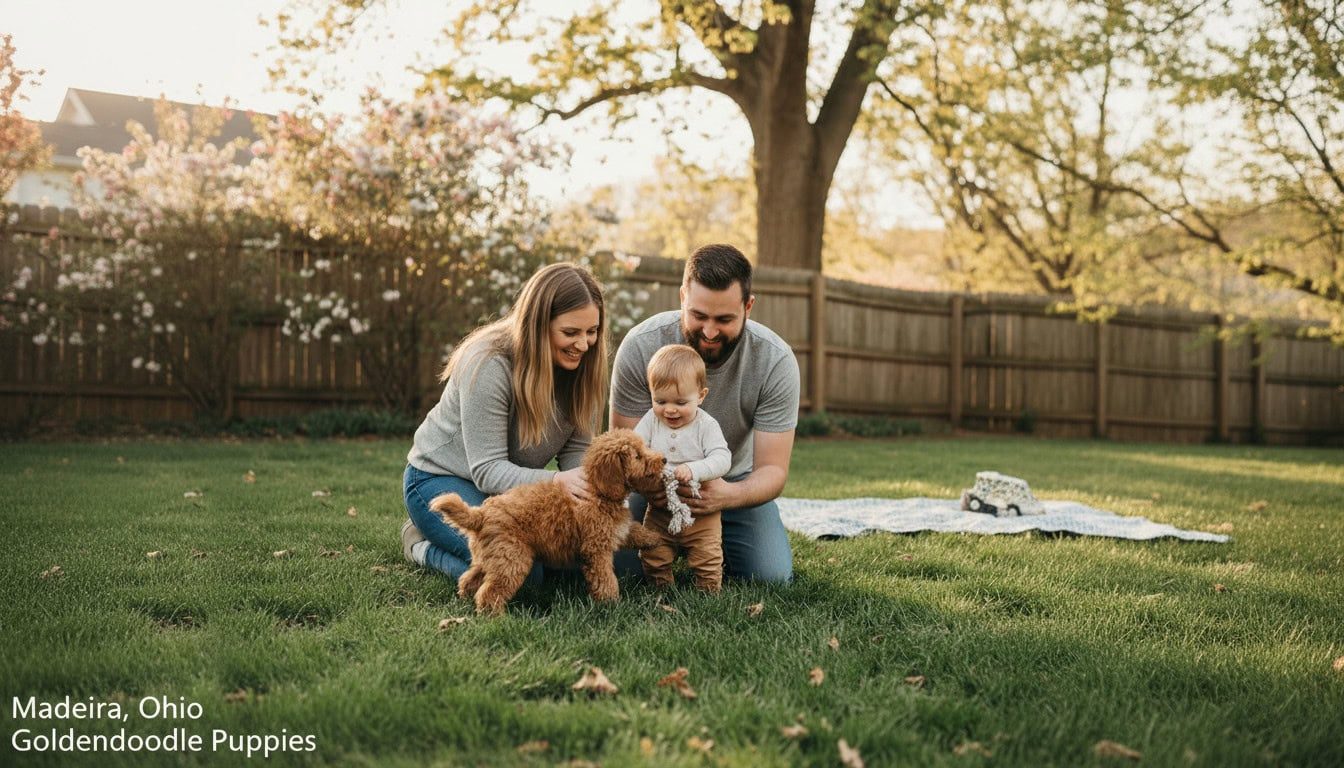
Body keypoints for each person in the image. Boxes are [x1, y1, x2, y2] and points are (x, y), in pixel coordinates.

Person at [400, 262, 608, 583]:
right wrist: (556, 483)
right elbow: (487, 470)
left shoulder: (583, 367)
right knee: (518, 575)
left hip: (513, 494)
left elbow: (577, 458)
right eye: (570, 332)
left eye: (591, 332)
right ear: (539, 325)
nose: (583, 344)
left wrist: (591, 500)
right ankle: (421, 545)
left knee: (584, 562)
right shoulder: (489, 362)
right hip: (442, 480)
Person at [610, 243, 800, 584]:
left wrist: (730, 495)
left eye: (724, 319)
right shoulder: (640, 346)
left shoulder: (775, 361)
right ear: (683, 296)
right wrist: (654, 486)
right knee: (619, 569)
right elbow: (625, 449)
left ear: (748, 306)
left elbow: (773, 469)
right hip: (653, 487)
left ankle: (706, 545)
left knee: (769, 577)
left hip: (731, 485)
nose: (710, 332)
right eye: (699, 316)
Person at [633, 344, 732, 592]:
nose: (669, 409)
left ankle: (708, 592)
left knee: (706, 556)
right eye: (660, 400)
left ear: (701, 395)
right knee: (653, 553)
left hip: (700, 513)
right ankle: (660, 588)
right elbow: (635, 447)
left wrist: (695, 469)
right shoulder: (651, 420)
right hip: (659, 510)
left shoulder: (705, 425)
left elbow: (722, 457)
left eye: (680, 401)